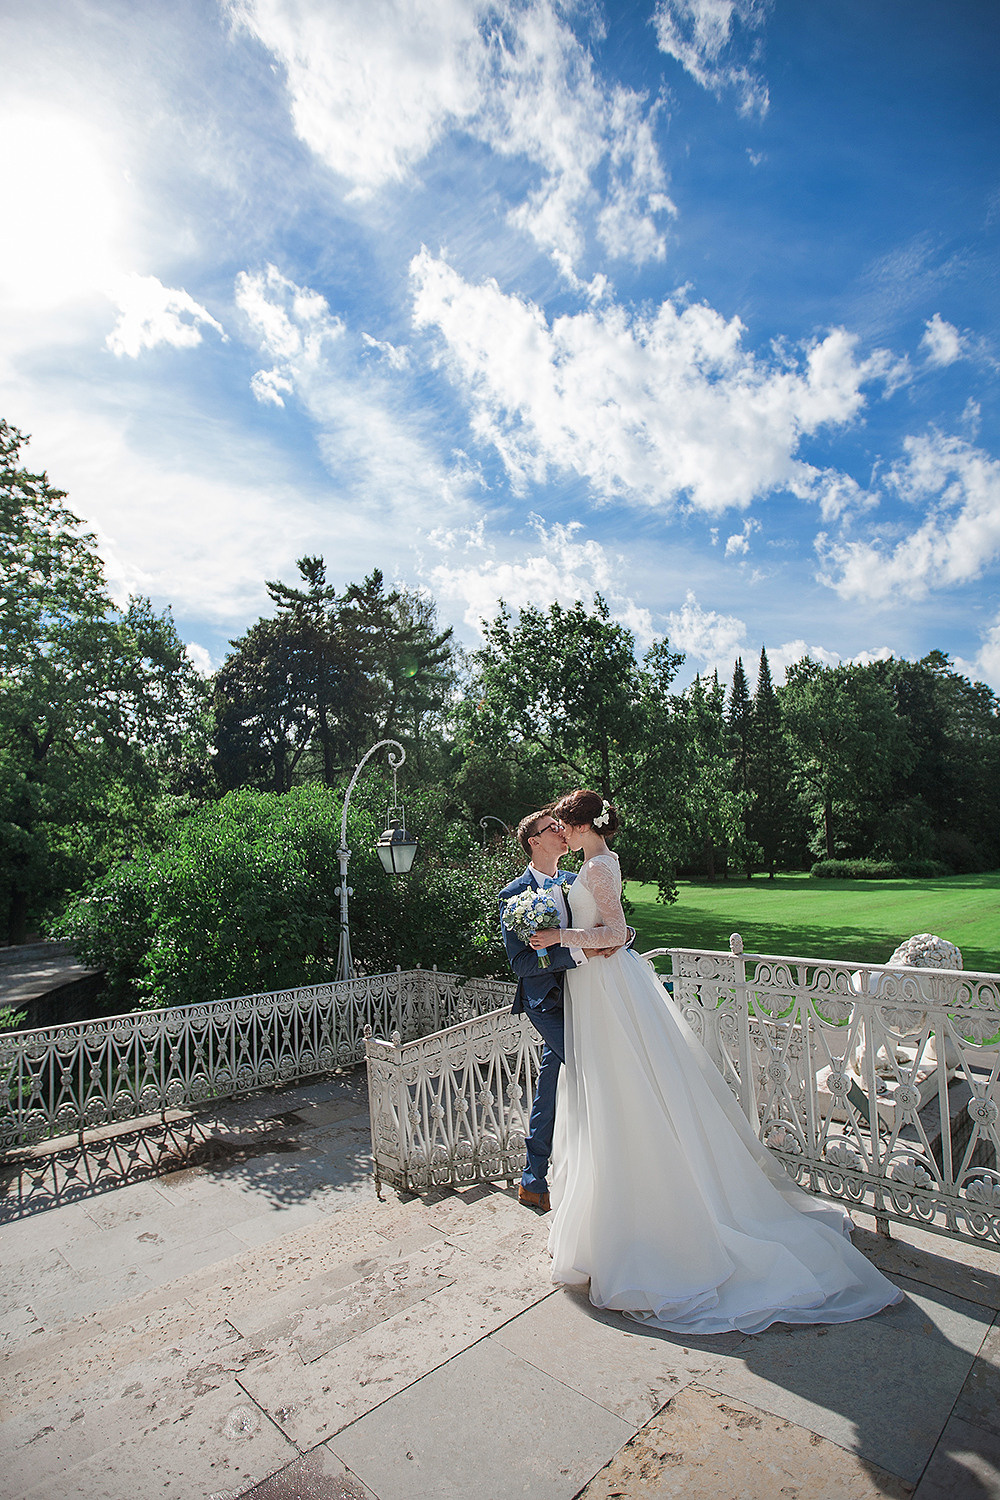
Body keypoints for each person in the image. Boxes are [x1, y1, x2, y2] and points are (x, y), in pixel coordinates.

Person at [527, 788, 902, 1335]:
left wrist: (558, 935)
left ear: (584, 826)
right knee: (605, 1100)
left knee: (628, 1095)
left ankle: (656, 1234)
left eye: (564, 821)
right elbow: (620, 932)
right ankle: (609, 1230)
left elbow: (613, 934)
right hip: (594, 991)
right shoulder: (590, 862)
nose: (559, 829)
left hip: (607, 990)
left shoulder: (601, 866)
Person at [499, 811, 630, 1211]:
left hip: (584, 995)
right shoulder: (513, 894)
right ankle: (602, 1171)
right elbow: (521, 964)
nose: (560, 831)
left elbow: (603, 924)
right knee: (590, 1071)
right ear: (533, 842)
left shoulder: (574, 881)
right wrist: (573, 954)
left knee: (550, 1083)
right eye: (551, 829)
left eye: (561, 826)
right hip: (547, 1002)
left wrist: (624, 935)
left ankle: (533, 1178)